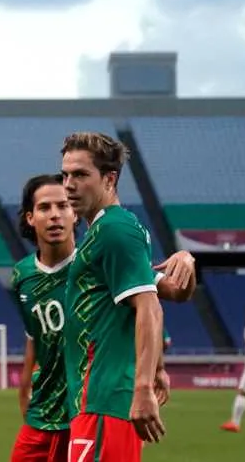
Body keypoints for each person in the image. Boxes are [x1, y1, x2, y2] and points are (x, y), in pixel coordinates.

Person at [59, 132, 196, 461]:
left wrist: (143, 387)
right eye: (65, 174)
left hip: (105, 400)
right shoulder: (105, 231)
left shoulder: (115, 231)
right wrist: (187, 264)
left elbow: (148, 307)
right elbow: (170, 292)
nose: (68, 184)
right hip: (95, 400)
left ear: (109, 179)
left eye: (80, 174)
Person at [9, 174, 77, 462]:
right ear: (30, 217)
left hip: (87, 417)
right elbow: (34, 341)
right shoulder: (22, 275)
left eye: (63, 206)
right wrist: (24, 394)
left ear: (75, 213)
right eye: (45, 208)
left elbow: (151, 303)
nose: (55, 216)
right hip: (40, 419)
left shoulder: (99, 264)